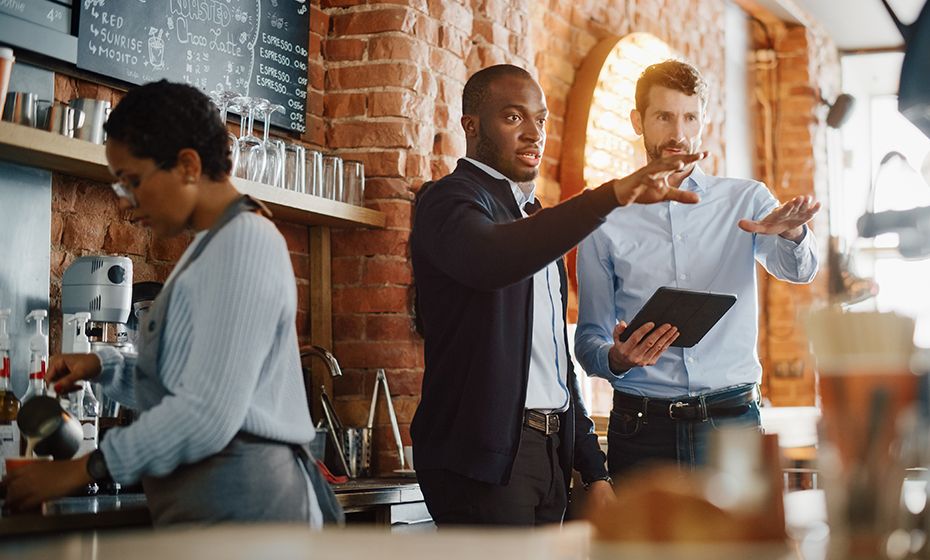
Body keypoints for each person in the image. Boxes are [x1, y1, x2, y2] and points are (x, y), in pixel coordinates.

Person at [2, 80, 341, 526]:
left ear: (186, 165)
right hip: (210, 510)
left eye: (133, 182)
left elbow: (206, 414)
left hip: (247, 513)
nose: (127, 204)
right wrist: (105, 367)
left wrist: (82, 470)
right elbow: (185, 379)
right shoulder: (207, 249)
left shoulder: (245, 243)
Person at [410, 64, 707, 526]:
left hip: (548, 457)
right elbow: (493, 259)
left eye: (541, 120)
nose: (533, 134)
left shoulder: (531, 217)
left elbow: (553, 361)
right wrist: (608, 196)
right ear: (471, 125)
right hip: (482, 465)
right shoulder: (448, 200)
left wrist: (593, 468)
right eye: (513, 118)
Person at [574, 59, 821, 476]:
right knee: (641, 544)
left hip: (731, 425)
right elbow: (588, 341)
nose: (679, 133)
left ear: (703, 120)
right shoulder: (606, 215)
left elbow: (800, 271)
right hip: (641, 430)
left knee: (740, 544)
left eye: (690, 117)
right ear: (638, 121)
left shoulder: (746, 200)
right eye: (664, 117)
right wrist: (616, 357)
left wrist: (792, 235)